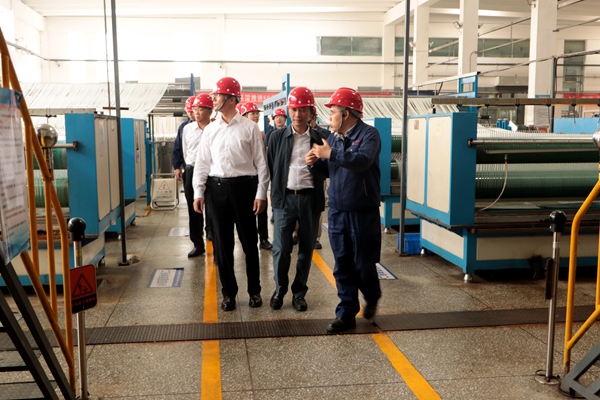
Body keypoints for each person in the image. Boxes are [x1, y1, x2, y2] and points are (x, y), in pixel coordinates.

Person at [306, 87, 382, 333]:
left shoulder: (369, 135)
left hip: (362, 211)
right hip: (338, 211)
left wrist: (331, 153)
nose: (330, 117)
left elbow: (362, 161)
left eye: (333, 112)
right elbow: (331, 169)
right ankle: (347, 313)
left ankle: (372, 294)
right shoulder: (334, 138)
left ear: (346, 114)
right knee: (342, 264)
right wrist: (315, 164)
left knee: (363, 264)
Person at [192, 77, 270, 312]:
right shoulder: (210, 130)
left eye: (217, 95)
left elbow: (262, 164)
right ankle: (229, 294)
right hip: (216, 192)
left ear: (230, 99)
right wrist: (198, 192)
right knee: (222, 246)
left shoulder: (249, 128)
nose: (213, 99)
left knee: (249, 243)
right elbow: (202, 164)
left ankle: (254, 291)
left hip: (245, 189)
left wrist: (261, 194)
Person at [267, 87, 327, 312]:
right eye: (294, 109)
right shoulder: (277, 137)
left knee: (306, 249)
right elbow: (271, 166)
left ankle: (299, 293)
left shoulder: (320, 138)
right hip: (285, 199)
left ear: (311, 112)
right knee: (281, 249)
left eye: (303, 110)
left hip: (310, 199)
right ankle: (279, 290)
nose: (298, 114)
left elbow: (327, 169)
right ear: (288, 111)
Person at [181, 93, 213, 257]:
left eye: (201, 109)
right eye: (195, 109)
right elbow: (185, 151)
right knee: (193, 208)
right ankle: (198, 244)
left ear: (210, 111)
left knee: (213, 208)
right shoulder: (187, 129)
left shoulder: (216, 128)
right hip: (192, 170)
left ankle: (214, 240)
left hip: (212, 172)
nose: (197, 113)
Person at [237, 101, 273, 251]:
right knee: (247, 211)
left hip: (259, 174)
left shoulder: (260, 132)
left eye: (257, 113)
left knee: (262, 208)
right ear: (244, 115)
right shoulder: (240, 132)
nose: (256, 116)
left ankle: (263, 238)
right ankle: (246, 240)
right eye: (252, 113)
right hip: (246, 178)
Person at [173, 96, 195, 181]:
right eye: (188, 112)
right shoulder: (184, 127)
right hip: (189, 168)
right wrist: (177, 167)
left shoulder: (210, 126)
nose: (190, 114)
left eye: (192, 111)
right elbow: (178, 148)